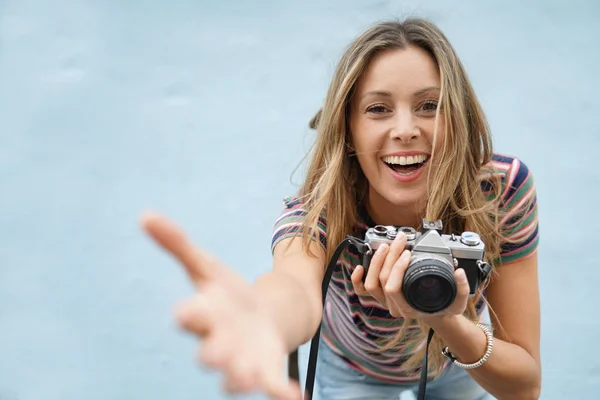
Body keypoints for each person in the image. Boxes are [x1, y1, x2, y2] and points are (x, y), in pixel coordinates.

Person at [141, 17, 541, 400]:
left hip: (459, 358)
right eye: (378, 109)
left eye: (429, 105)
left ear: (459, 119)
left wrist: (445, 319)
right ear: (348, 131)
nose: (405, 129)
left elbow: (524, 388)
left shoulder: (499, 191)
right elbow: (295, 288)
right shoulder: (318, 210)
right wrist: (262, 319)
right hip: (350, 368)